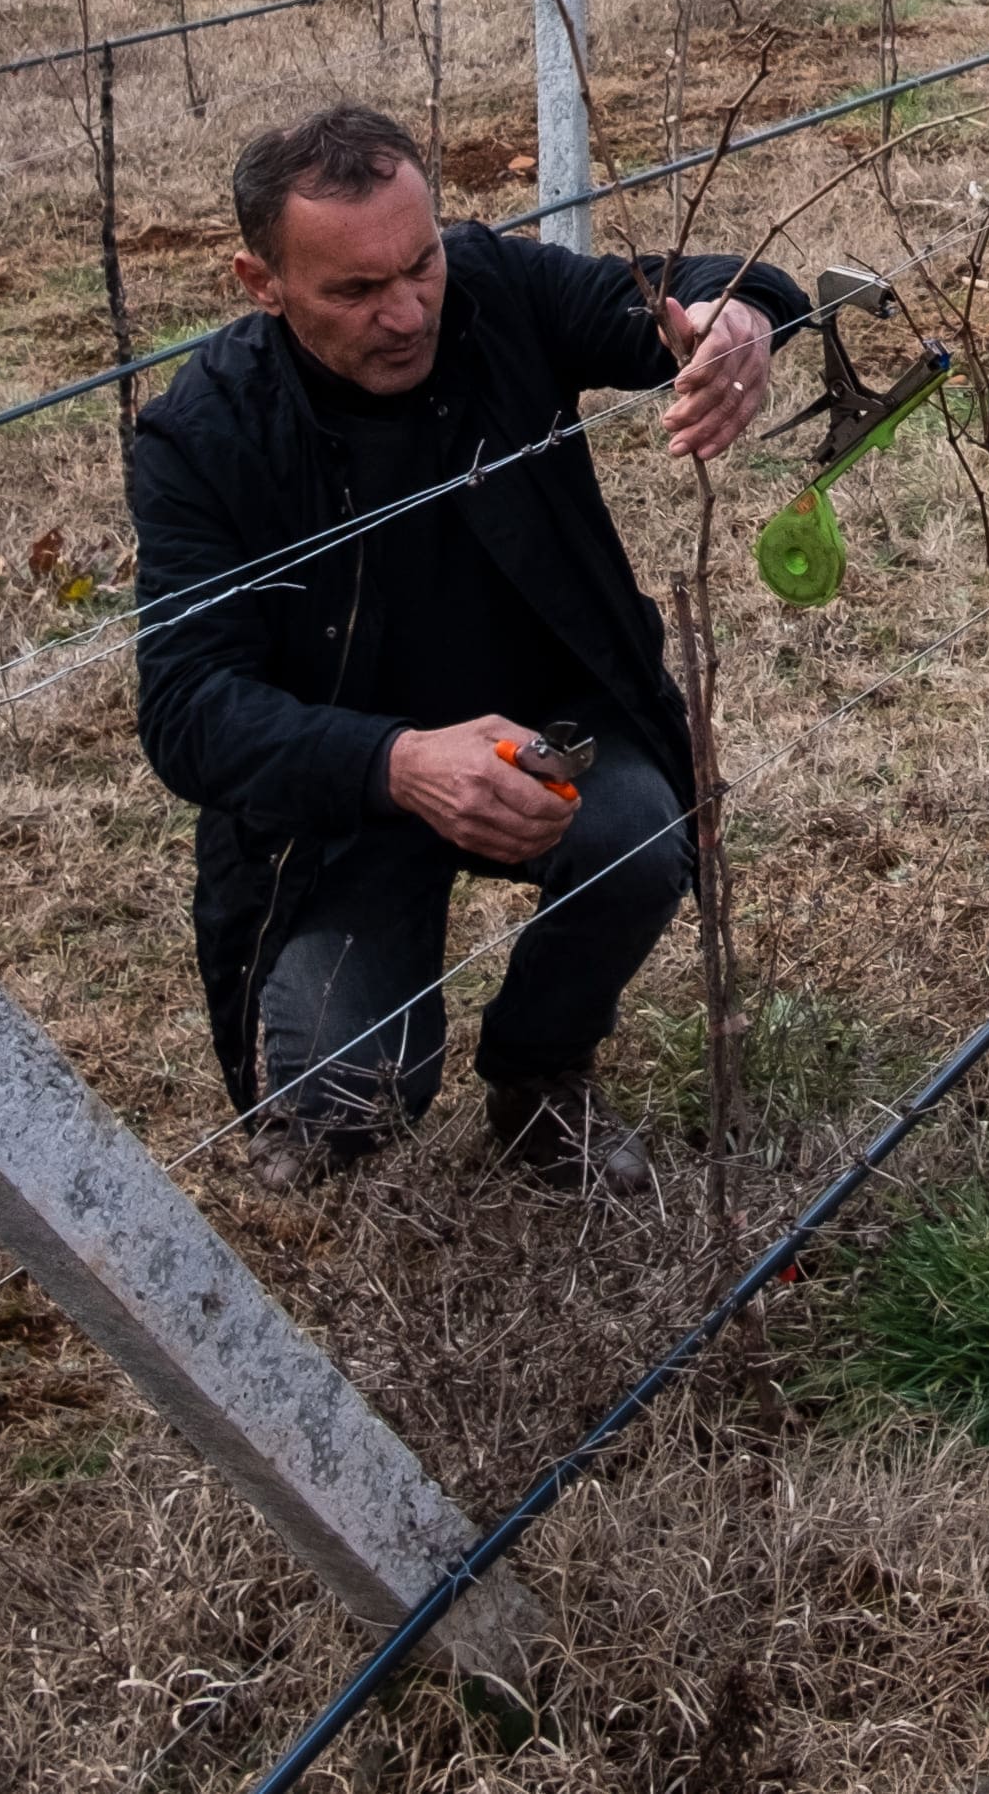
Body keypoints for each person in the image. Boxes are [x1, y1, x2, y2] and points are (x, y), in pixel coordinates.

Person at [128, 105, 801, 1188]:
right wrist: (396, 763)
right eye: (355, 289)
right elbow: (185, 711)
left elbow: (684, 291)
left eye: (420, 263)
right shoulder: (203, 434)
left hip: (549, 742)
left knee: (636, 826)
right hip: (344, 808)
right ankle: (344, 1067)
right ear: (260, 281)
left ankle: (540, 1078)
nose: (406, 312)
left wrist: (740, 316)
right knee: (347, 1099)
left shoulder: (494, 288)